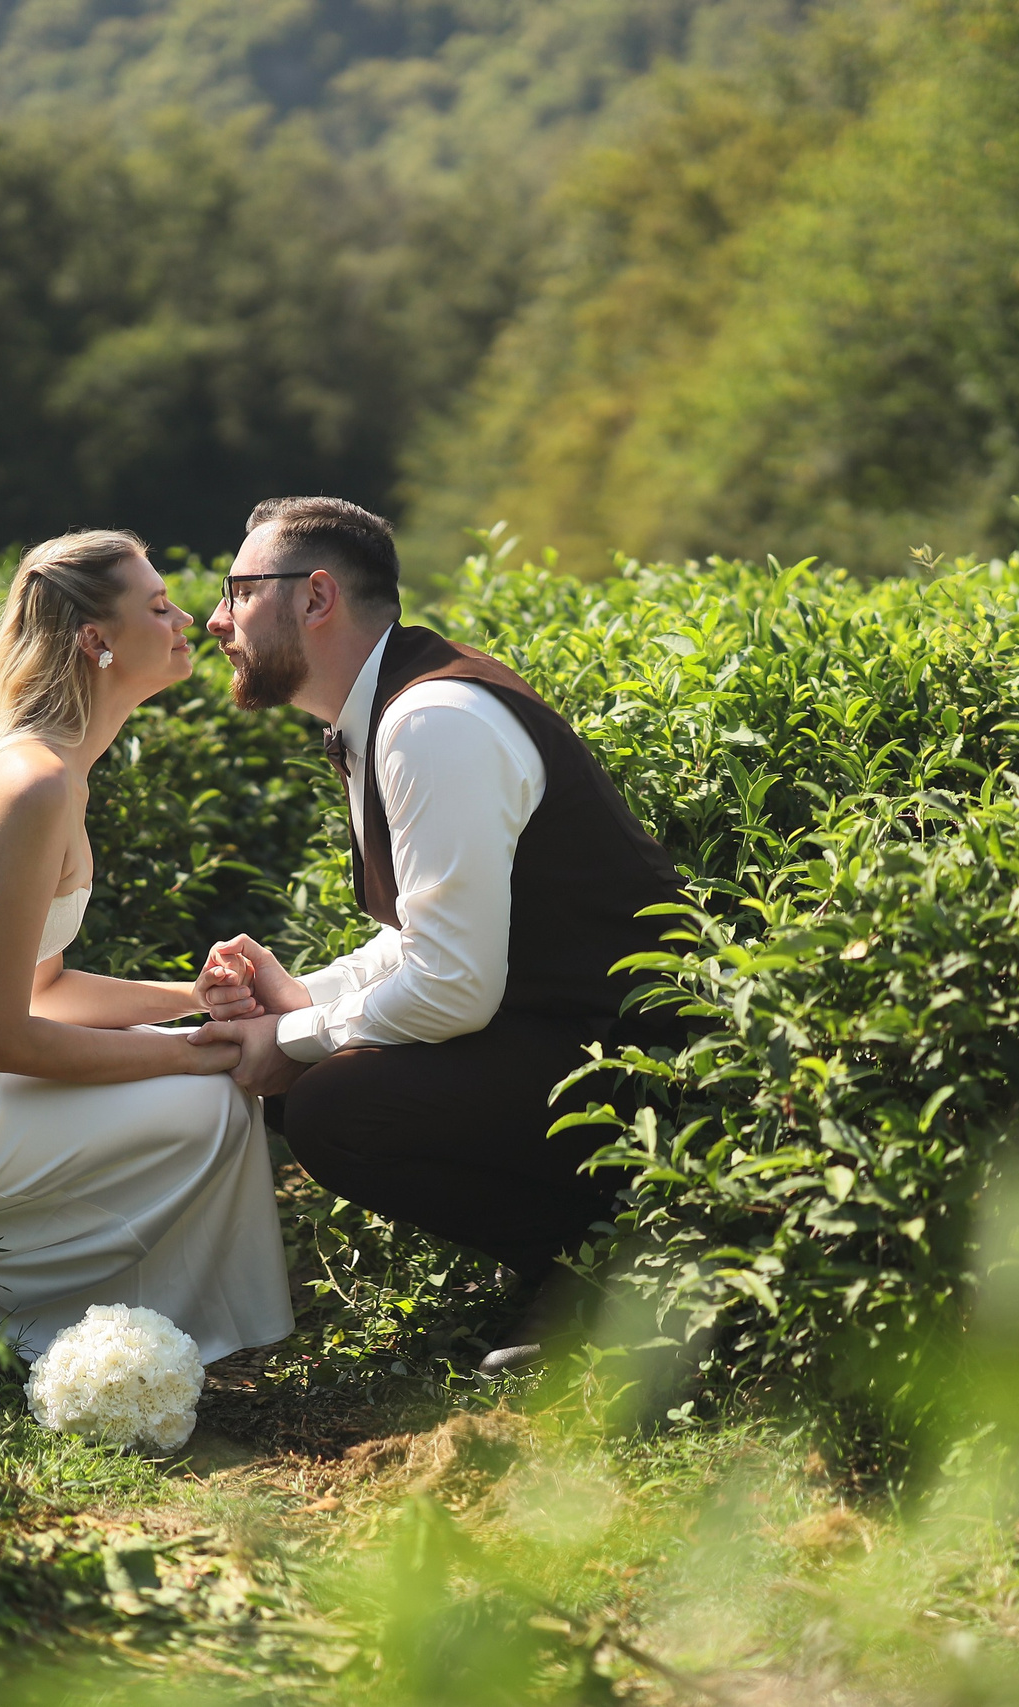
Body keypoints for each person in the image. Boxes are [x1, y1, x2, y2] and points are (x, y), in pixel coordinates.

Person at [189, 496, 684, 1372]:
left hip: (645, 1063)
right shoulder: (387, 709)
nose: (215, 619)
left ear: (314, 597)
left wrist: (292, 1040)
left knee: (331, 1104)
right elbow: (423, 936)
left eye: (237, 590)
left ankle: (614, 1275)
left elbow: (455, 984)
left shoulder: (429, 721)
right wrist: (309, 999)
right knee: (309, 1075)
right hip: (559, 1037)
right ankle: (587, 1261)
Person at [0, 529, 294, 1364]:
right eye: (158, 604)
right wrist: (191, 1055)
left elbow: (44, 988)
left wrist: (191, 1002)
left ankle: (148, 1341)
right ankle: (76, 1333)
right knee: (210, 1101)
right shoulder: (29, 784)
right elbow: (1, 1036)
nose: (188, 619)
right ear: (96, 642)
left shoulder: (58, 770)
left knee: (210, 1093)